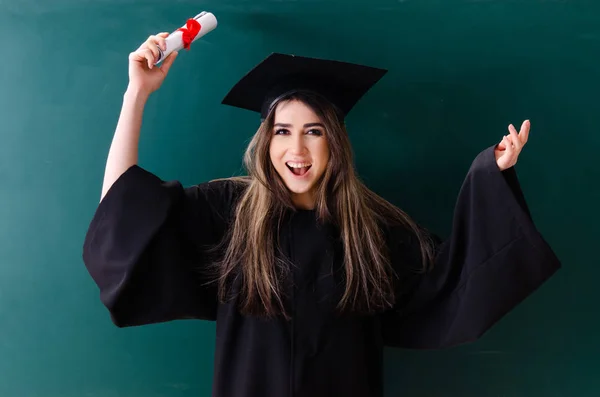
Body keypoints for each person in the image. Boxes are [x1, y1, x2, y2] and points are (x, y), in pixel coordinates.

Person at [82, 33, 561, 397]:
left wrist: (488, 175)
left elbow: (459, 281)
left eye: (313, 131)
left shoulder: (375, 229)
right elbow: (122, 217)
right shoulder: (228, 212)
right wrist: (136, 95)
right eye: (282, 131)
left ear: (335, 141)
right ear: (266, 141)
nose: (296, 149)